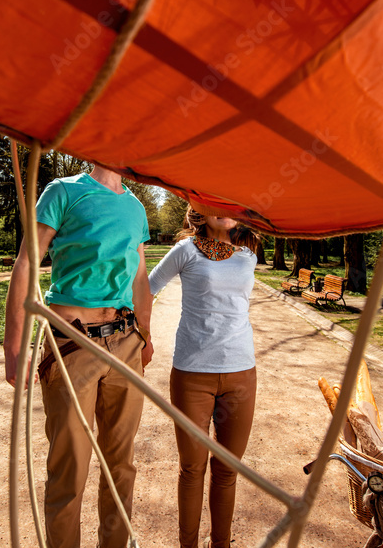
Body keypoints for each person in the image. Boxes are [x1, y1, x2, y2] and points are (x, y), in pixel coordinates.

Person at [4, 166, 153, 548]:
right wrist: (14, 346)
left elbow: (139, 278)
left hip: (126, 343)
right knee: (69, 470)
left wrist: (145, 336)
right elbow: (26, 263)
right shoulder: (64, 192)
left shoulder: (136, 208)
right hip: (70, 345)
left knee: (121, 465)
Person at [147, 206, 260, 548]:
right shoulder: (186, 250)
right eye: (215, 205)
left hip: (242, 374)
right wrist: (143, 338)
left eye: (231, 205)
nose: (224, 212)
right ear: (200, 211)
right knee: (192, 469)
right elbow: (147, 288)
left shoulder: (249, 251)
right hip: (192, 375)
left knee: (227, 471)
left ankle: (221, 544)